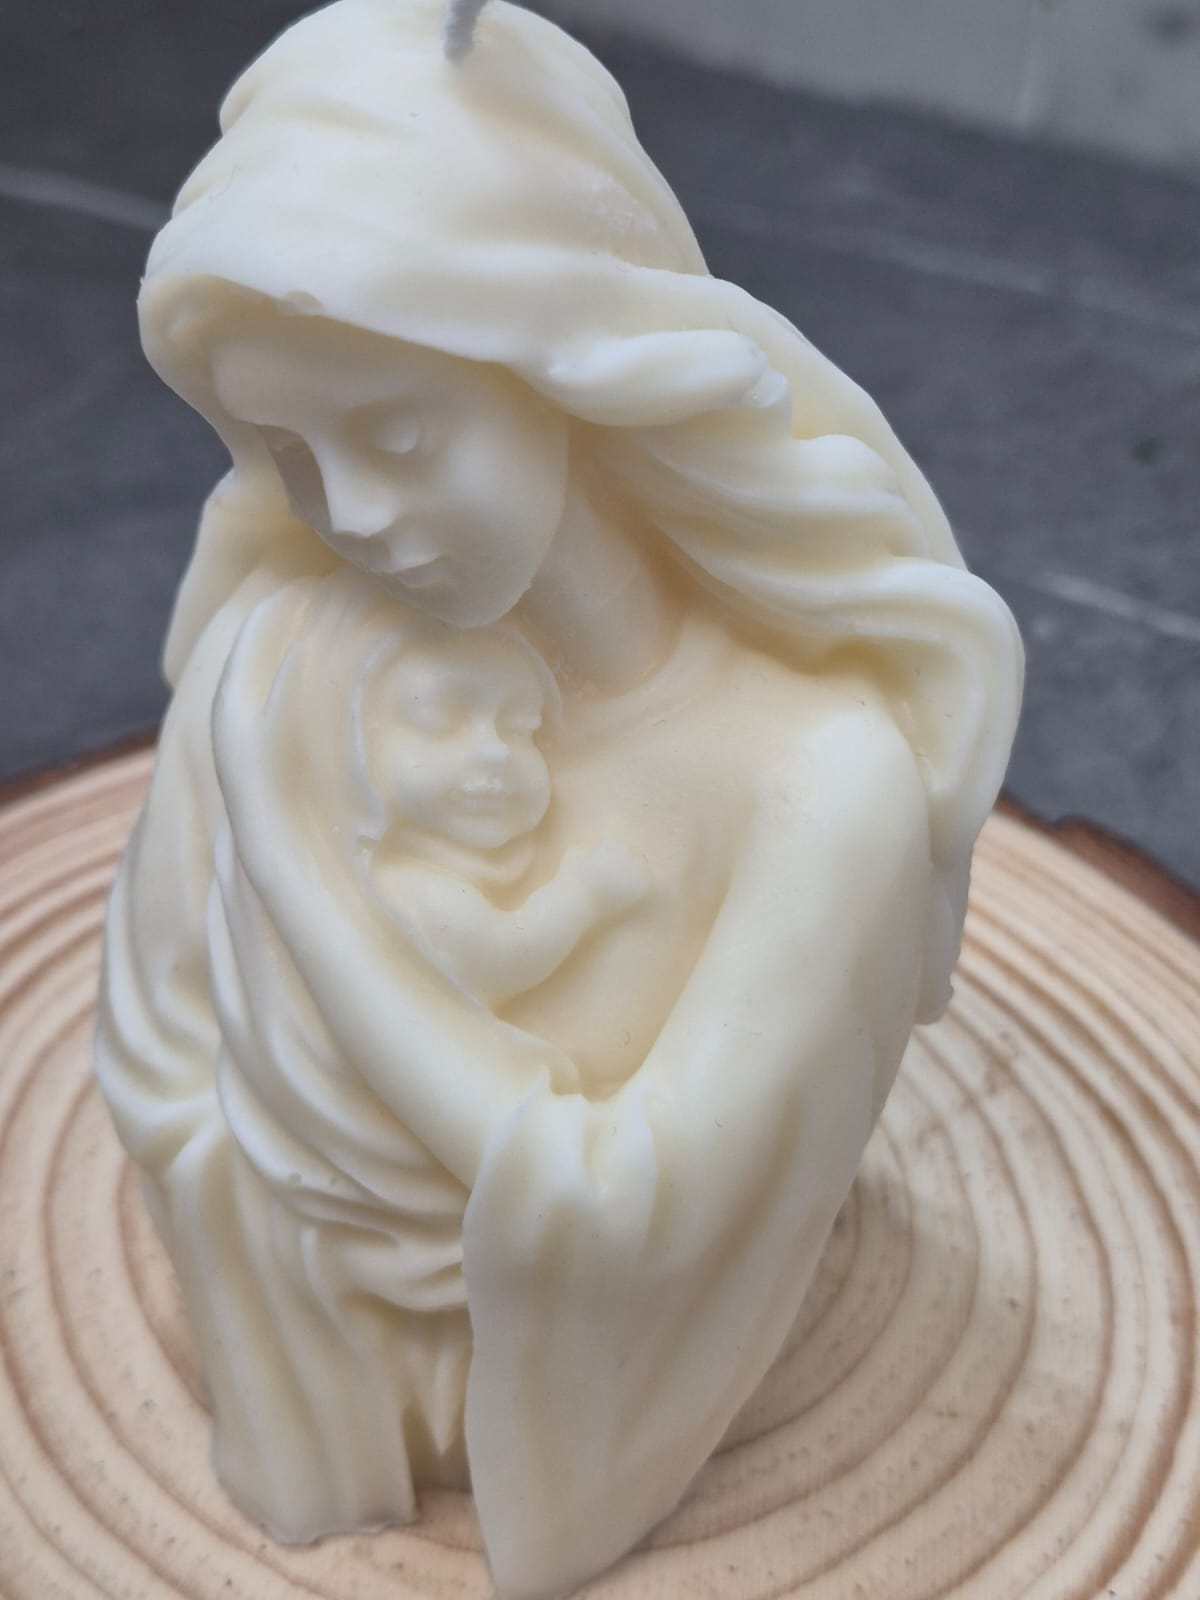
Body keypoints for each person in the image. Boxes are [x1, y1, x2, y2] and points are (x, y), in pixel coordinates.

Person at [96, 2, 1023, 1594]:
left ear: (568, 369)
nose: (352, 513)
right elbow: (165, 1065)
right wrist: (309, 1283)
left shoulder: (819, 781)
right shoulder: (274, 665)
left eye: (400, 430)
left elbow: (632, 1212)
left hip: (564, 1405)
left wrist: (309, 891)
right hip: (314, 1381)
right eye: (291, 453)